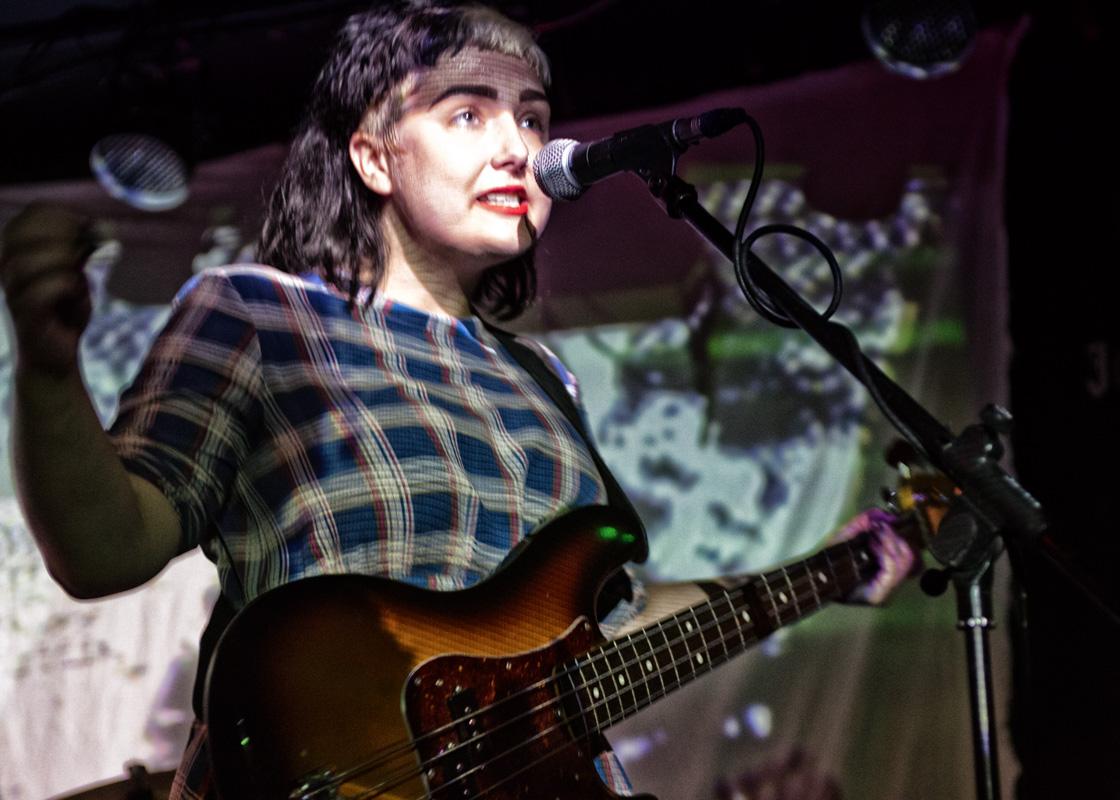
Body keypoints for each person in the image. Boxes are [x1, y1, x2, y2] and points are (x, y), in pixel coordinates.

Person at [0, 2, 914, 797]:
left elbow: (615, 621)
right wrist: (47, 373)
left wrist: (823, 574)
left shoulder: (543, 380)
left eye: (533, 116)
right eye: (468, 113)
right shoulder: (258, 313)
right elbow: (103, 551)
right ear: (373, 155)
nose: (520, 145)